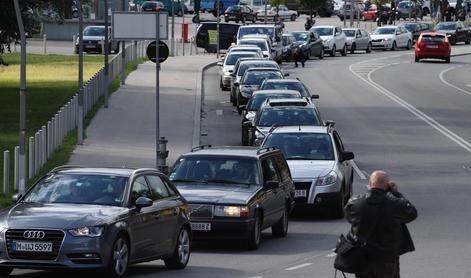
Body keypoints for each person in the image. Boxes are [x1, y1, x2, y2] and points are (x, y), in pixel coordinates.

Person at [344, 170, 417, 278]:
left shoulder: (355, 202)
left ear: (370, 184)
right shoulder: (394, 203)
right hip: (387, 257)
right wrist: (396, 193)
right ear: (387, 185)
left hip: (363, 256)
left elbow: (349, 217)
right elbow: (411, 213)